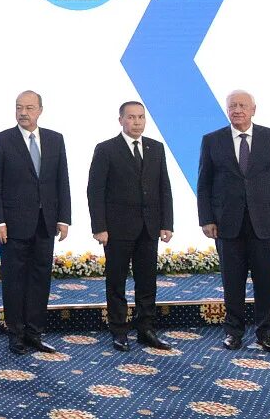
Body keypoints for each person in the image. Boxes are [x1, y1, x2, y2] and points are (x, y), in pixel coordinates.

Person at [197, 90, 270, 353]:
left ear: (253, 109)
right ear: (227, 110)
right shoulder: (212, 140)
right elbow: (204, 184)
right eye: (232, 106)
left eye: (242, 105)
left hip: (266, 223)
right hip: (227, 224)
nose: (237, 110)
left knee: (266, 281)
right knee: (232, 282)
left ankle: (266, 333)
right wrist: (206, 219)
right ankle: (233, 332)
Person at [0, 90, 71, 355]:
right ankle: (16, 334)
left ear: (40, 110)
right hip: (12, 226)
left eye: (29, 108)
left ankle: (35, 332)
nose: (23, 112)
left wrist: (63, 218)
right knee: (14, 281)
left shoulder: (55, 139)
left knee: (40, 279)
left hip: (45, 223)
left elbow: (62, 181)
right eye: (19, 107)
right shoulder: (1, 140)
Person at [87, 101, 174, 352]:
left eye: (141, 117)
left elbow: (164, 187)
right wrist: (99, 227)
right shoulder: (106, 149)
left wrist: (166, 223)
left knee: (147, 282)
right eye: (131, 117)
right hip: (117, 229)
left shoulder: (156, 147)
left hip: (149, 227)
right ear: (121, 120)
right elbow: (95, 190)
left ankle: (146, 329)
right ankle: (119, 330)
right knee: (116, 282)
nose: (137, 122)